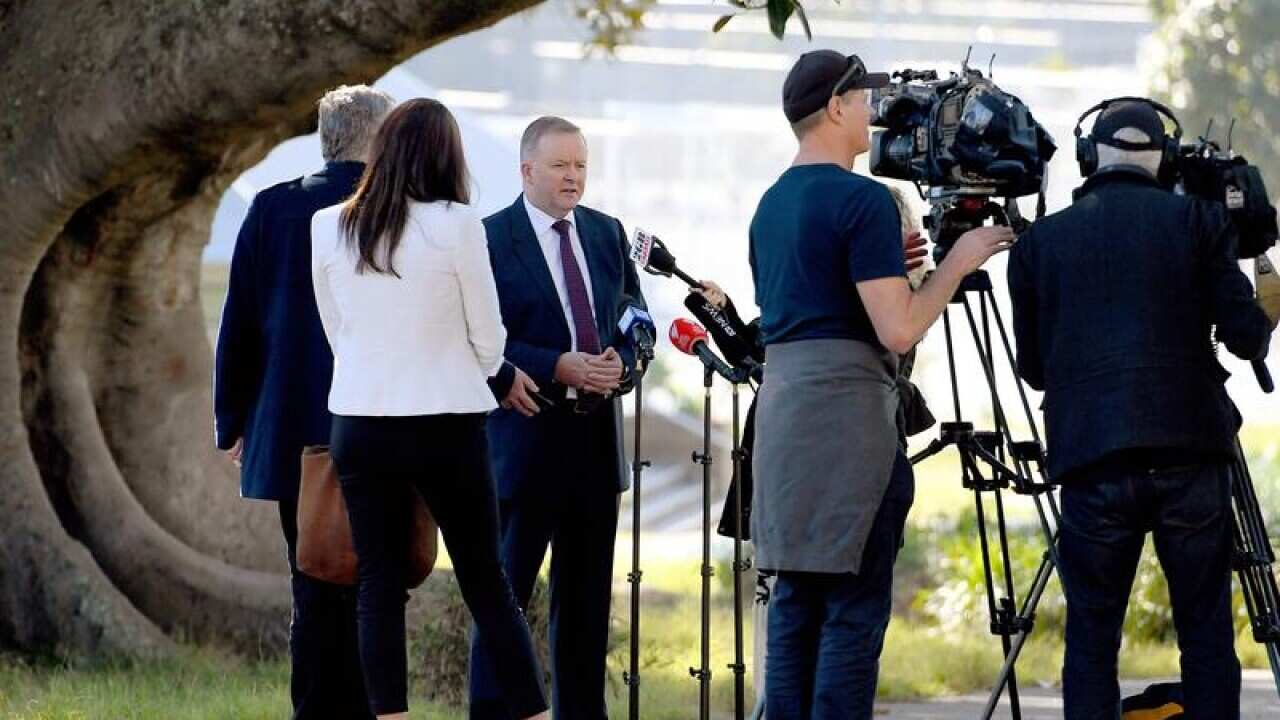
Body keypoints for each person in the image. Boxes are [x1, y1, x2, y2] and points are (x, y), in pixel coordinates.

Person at [747, 50, 1013, 718]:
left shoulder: (769, 203)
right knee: (852, 615)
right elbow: (897, 332)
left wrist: (898, 271)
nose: (874, 113)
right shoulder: (863, 200)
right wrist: (955, 263)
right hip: (848, 432)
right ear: (835, 108)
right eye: (864, 99)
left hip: (783, 428)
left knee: (795, 609)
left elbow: (817, 302)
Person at [1008, 98, 1273, 719]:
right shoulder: (1199, 222)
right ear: (1167, 159)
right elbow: (1246, 338)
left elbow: (1033, 369)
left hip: (1092, 461)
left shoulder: (1038, 244)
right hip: (1191, 457)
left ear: (1088, 157)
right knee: (1205, 635)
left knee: (1093, 642)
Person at [310, 98, 549, 720]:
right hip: (447, 421)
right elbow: (489, 339)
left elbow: (336, 329)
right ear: (448, 154)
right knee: (485, 581)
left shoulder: (329, 224)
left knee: (378, 585)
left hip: (360, 421)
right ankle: (531, 712)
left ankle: (390, 715)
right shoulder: (458, 224)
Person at [213, 83, 392, 720]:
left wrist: (232, 422)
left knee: (310, 576)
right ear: (381, 138)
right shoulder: (400, 211)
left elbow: (240, 325)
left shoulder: (269, 209)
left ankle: (315, 709)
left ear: (326, 137)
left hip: (293, 428)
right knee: (376, 581)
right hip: (383, 424)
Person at [469, 115, 646, 720]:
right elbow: (478, 342)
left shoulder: (605, 233)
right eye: (560, 166)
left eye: (581, 165)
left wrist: (622, 364)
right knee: (505, 597)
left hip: (595, 446)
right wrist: (556, 366)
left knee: (586, 607)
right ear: (527, 171)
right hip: (523, 442)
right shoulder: (489, 238)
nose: (573, 177)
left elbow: (634, 320)